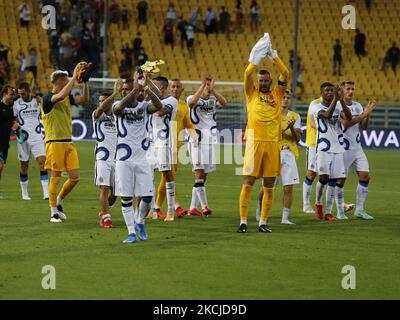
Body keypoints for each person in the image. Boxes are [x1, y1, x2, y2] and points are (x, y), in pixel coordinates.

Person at [237, 33, 290, 233]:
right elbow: (246, 74)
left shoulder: (278, 93)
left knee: (269, 184)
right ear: (257, 81)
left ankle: (263, 222)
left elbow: (286, 74)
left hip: (272, 144)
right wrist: (257, 59)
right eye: (261, 80)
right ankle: (243, 221)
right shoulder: (251, 93)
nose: (263, 82)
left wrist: (274, 56)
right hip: (254, 143)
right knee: (248, 181)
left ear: (270, 81)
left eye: (267, 80)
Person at [112, 74, 163, 243]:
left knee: (147, 198)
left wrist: (147, 85)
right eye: (124, 90)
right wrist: (134, 90)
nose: (127, 92)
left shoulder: (144, 107)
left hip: (142, 158)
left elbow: (159, 105)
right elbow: (119, 108)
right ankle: (131, 232)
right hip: (123, 159)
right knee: (126, 197)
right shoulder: (117, 106)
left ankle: (140, 221)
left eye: (129, 89)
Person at [41, 65, 90, 223]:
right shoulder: (48, 98)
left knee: (75, 177)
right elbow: (60, 96)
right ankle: (53, 211)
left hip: (68, 142)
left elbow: (84, 100)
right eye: (66, 79)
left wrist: (84, 83)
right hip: (54, 142)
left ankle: (60, 201)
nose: (69, 81)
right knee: (55, 176)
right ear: (60, 81)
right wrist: (75, 76)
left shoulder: (67, 96)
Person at [152, 79, 196, 219]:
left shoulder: (183, 106)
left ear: (182, 90)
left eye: (178, 87)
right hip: (161, 143)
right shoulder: (163, 102)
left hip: (176, 145)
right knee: (165, 176)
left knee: (168, 176)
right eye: (173, 86)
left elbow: (188, 124)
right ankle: (166, 207)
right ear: (169, 89)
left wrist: (195, 136)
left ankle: (162, 207)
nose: (175, 89)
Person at [256, 90, 301, 224]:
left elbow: (297, 139)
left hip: (289, 153)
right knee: (267, 186)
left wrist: (291, 128)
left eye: (288, 98)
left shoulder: (295, 116)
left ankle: (285, 218)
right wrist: (281, 130)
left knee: (288, 187)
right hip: (273, 152)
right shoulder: (271, 114)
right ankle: (259, 209)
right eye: (283, 97)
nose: (286, 100)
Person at [187, 74, 228, 217]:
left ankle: (192, 207)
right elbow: (192, 103)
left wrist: (213, 91)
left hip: (210, 140)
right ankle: (204, 207)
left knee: (203, 176)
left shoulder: (212, 100)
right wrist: (202, 86)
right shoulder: (192, 98)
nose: (208, 87)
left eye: (210, 84)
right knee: (198, 172)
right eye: (206, 85)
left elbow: (225, 103)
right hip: (196, 140)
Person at [337, 80, 376, 220]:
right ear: (342, 90)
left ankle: (359, 210)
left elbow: (364, 127)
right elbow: (346, 123)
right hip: (343, 148)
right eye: (348, 89)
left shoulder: (358, 105)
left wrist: (367, 113)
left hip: (357, 148)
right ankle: (340, 210)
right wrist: (365, 113)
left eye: (352, 88)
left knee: (365, 176)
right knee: (341, 180)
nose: (351, 91)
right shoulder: (337, 106)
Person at [313, 84, 352, 221]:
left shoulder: (338, 105)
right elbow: (327, 114)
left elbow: (349, 118)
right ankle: (318, 204)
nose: (330, 93)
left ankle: (329, 212)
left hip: (338, 148)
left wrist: (341, 101)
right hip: (324, 147)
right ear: (321, 93)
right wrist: (336, 99)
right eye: (327, 91)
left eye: (331, 91)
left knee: (335, 180)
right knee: (323, 178)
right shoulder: (316, 107)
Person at [148, 76, 178, 222]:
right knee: (148, 175)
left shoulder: (172, 100)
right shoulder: (149, 101)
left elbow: (160, 112)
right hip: (150, 142)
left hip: (164, 141)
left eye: (155, 86)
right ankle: (153, 210)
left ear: (163, 87)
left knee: (166, 174)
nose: (153, 89)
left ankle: (170, 210)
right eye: (151, 86)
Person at [92, 81, 122, 228]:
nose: (101, 104)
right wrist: (115, 93)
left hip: (117, 158)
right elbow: (100, 110)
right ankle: (106, 217)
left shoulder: (118, 116)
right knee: (104, 188)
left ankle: (103, 212)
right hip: (102, 156)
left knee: (115, 192)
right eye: (100, 102)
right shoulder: (97, 116)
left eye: (104, 101)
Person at [13, 82, 48, 201]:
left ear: (28, 91)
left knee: (43, 163)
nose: (21, 96)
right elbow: (12, 118)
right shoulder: (16, 104)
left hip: (37, 136)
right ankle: (24, 193)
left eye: (23, 93)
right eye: (19, 94)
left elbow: (46, 110)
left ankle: (46, 193)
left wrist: (41, 98)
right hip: (22, 138)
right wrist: (14, 124)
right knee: (24, 165)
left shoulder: (37, 101)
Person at [0, 85, 19, 200]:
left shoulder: (12, 108)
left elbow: (12, 121)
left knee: (1, 168)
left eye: (13, 94)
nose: (13, 96)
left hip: (5, 142)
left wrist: (15, 123)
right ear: (4, 94)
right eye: (11, 94)